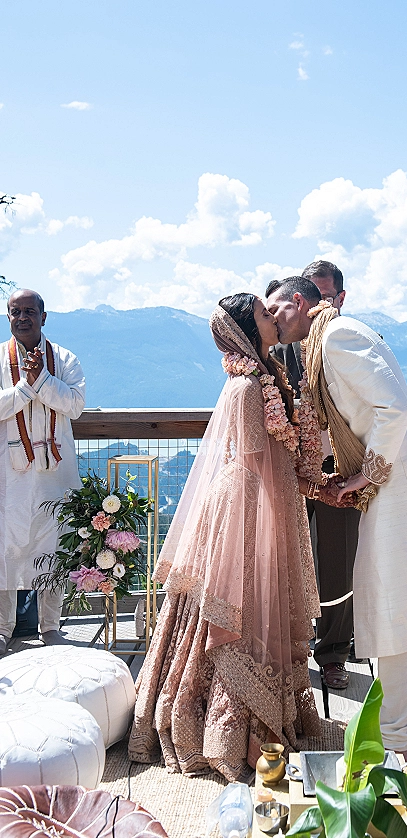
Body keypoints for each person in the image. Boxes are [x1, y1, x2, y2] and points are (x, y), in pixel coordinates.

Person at [266, 277, 407, 760]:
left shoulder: (338, 337)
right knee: (390, 605)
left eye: (275, 309)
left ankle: (395, 740)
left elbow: (395, 408)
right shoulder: (327, 339)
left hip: (398, 486)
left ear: (299, 302)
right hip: (389, 485)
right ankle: (394, 731)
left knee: (396, 610)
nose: (272, 319)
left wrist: (366, 475)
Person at [129, 294, 334, 782]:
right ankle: (227, 727)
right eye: (264, 314)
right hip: (245, 507)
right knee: (238, 606)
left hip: (263, 502)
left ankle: (266, 710)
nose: (273, 317)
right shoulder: (246, 388)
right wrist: (276, 506)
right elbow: (251, 459)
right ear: (245, 330)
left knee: (262, 604)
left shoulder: (268, 377)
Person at [267, 260, 360, 690]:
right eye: (313, 298)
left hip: (339, 469)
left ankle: (334, 653)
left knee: (338, 563)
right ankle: (289, 650)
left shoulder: (351, 343)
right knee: (285, 560)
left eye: (326, 298)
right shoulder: (280, 348)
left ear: (340, 299)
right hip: (291, 472)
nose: (317, 308)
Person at [0, 289, 85, 656]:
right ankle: (2, 629)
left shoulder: (65, 359)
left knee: (55, 545)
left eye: (29, 311)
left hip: (55, 472)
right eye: (15, 311)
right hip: (9, 474)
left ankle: (50, 626)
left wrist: (44, 379)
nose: (22, 318)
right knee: (6, 548)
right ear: (8, 317)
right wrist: (26, 385)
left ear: (43, 317)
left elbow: (76, 406)